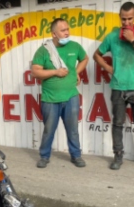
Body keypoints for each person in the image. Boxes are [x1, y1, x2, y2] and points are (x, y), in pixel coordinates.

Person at [93, 1, 134, 170]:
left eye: (130, 18)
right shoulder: (112, 36)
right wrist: (109, 69)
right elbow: (96, 55)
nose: (126, 22)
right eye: (123, 19)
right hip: (118, 87)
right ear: (119, 17)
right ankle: (118, 156)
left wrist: (133, 40)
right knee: (118, 123)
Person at [31, 18, 88, 169]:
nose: (67, 32)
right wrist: (56, 72)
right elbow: (35, 72)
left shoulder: (75, 46)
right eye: (63, 30)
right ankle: (44, 156)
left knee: (73, 130)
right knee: (49, 130)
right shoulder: (44, 50)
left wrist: (76, 72)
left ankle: (76, 156)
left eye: (67, 29)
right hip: (50, 99)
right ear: (54, 34)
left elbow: (85, 59)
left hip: (71, 96)